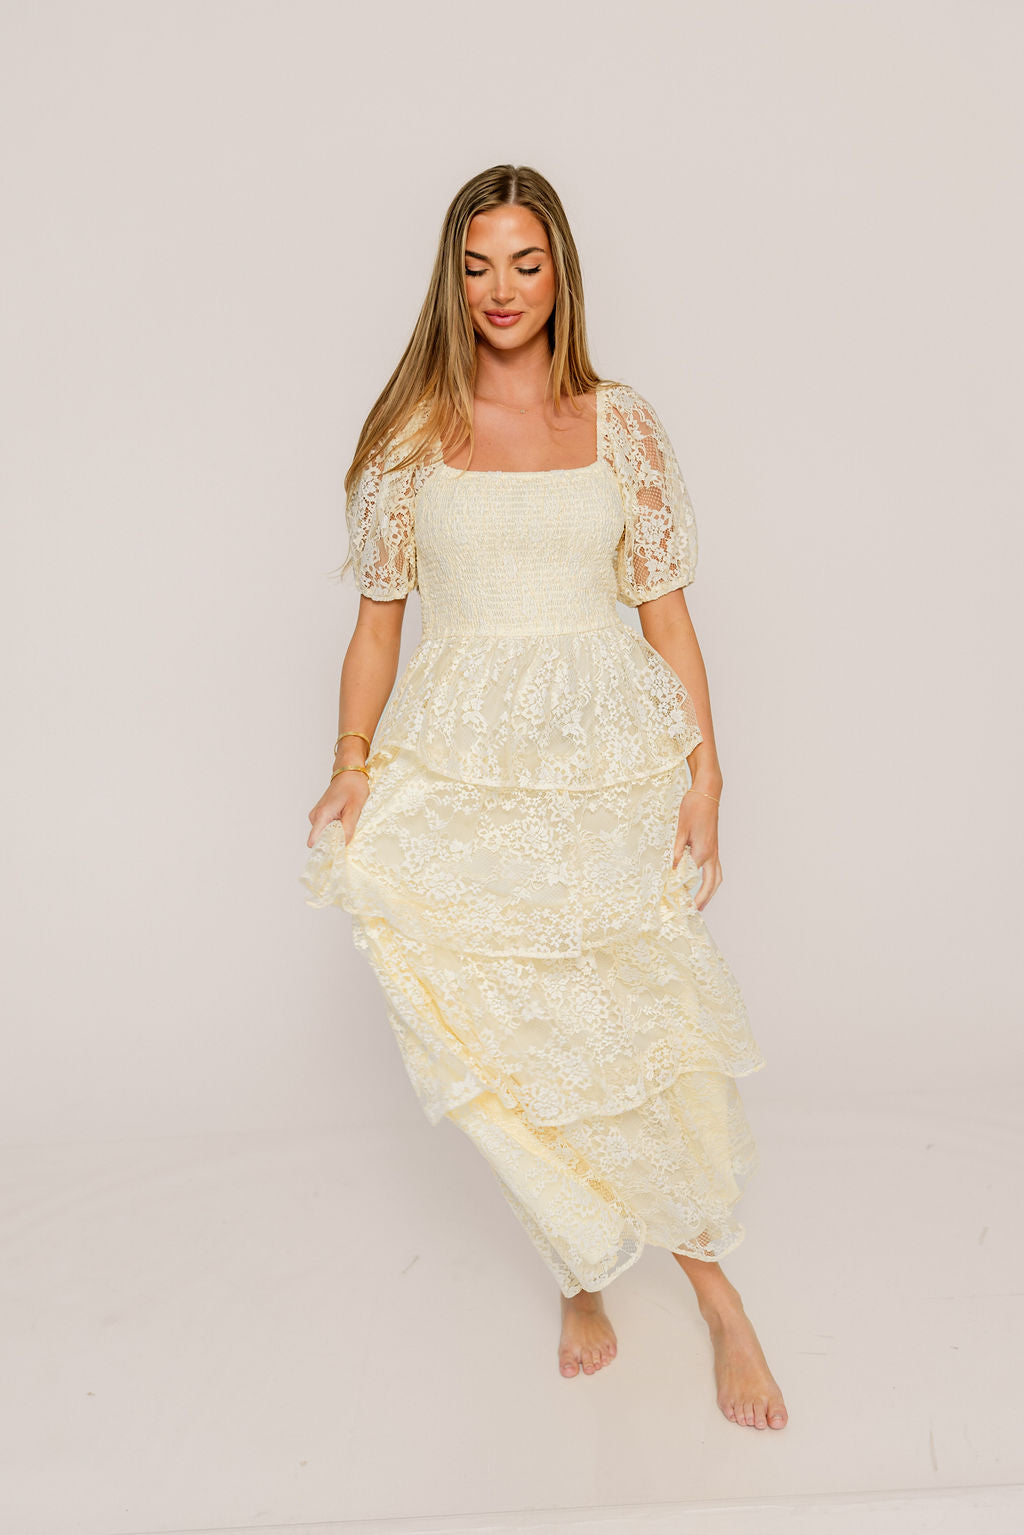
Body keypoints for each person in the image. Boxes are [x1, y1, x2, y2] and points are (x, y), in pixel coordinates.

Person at [301, 164, 787, 1430]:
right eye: (477, 266)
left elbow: (667, 617)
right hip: (467, 762)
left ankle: (716, 1292)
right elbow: (376, 626)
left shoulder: (620, 423)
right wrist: (351, 763)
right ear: (450, 279)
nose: (501, 289)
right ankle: (579, 1267)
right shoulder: (411, 433)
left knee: (634, 1026)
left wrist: (708, 775)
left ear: (560, 270)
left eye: (524, 262)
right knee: (510, 1040)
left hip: (607, 761)